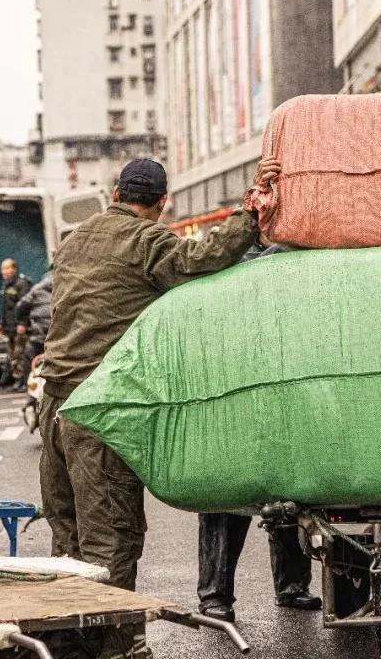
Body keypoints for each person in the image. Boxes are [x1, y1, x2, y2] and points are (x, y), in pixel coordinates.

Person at [39, 157, 262, 659]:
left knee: (69, 534)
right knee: (110, 537)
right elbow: (203, 258)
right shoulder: (147, 241)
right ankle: (116, 648)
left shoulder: (77, 237)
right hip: (97, 405)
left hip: (54, 402)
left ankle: (69, 642)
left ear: (116, 191)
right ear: (162, 203)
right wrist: (250, 216)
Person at [197, 241, 319, 623]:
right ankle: (215, 595)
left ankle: (291, 586)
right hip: (233, 401)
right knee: (225, 502)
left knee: (287, 497)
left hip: (282, 398)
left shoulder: (296, 256)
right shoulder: (234, 262)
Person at [0, 258, 33, 390]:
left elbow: (26, 305)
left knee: (21, 355)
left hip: (20, 327)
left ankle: (24, 381)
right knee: (12, 356)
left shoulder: (22, 284)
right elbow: (6, 307)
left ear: (14, 269)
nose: (4, 271)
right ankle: (18, 380)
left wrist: (23, 323)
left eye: (6, 268)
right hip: (10, 327)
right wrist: (1, 323)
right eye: (2, 268)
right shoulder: (6, 285)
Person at [14, 270, 52, 391]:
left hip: (39, 334)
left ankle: (30, 391)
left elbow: (20, 307)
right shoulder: (66, 285)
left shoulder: (37, 288)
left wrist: (22, 322)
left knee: (30, 359)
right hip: (59, 336)